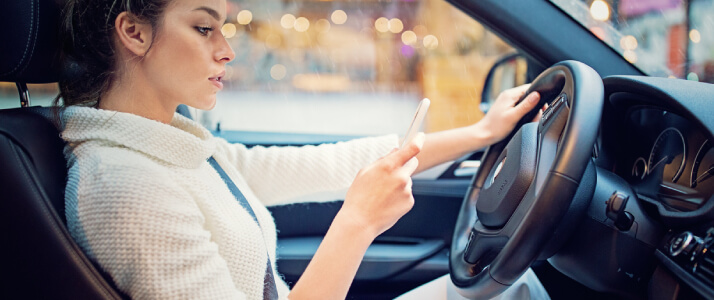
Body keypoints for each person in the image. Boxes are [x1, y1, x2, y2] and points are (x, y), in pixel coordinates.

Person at [57, 0, 547, 299]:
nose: (227, 50)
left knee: (518, 289)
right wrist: (358, 221)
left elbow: (325, 163)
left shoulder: (179, 148)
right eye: (204, 28)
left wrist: (482, 132)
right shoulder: (124, 187)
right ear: (134, 33)